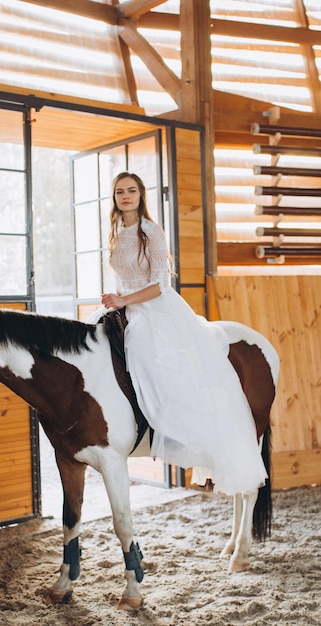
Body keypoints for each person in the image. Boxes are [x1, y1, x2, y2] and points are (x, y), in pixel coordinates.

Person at [98, 171, 267, 496]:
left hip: (154, 308)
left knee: (145, 346)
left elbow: (160, 286)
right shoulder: (116, 233)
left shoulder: (152, 231)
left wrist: (125, 300)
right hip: (123, 306)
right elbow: (123, 278)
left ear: (141, 195)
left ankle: (170, 425)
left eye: (131, 190)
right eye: (120, 191)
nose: (126, 196)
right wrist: (113, 300)